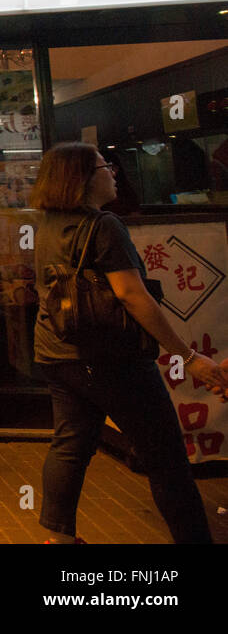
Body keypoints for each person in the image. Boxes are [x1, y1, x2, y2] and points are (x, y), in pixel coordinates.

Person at [30, 143, 228, 544]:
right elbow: (132, 296)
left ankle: (60, 539)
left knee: (70, 445)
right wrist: (188, 358)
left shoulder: (48, 223)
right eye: (106, 167)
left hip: (58, 352)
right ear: (83, 178)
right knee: (166, 458)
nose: (114, 173)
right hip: (110, 359)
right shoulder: (103, 226)